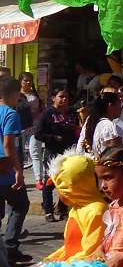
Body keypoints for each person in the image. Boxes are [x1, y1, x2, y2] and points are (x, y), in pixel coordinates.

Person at [44, 150, 107, 263]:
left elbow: (91, 250)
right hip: (72, 265)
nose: (58, 193)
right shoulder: (76, 208)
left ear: (71, 188)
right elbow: (71, 246)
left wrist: (62, 264)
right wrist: (52, 257)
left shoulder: (97, 210)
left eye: (59, 188)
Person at [32, 89, 78, 221]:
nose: (64, 100)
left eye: (66, 97)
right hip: (53, 152)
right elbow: (38, 134)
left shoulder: (71, 113)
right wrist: (53, 138)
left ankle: (63, 209)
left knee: (66, 181)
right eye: (61, 97)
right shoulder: (47, 114)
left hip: (68, 152)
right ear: (53, 98)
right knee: (50, 181)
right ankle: (48, 210)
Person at [0, 76, 27, 266]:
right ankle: (10, 247)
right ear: (14, 93)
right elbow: (9, 144)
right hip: (5, 170)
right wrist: (18, 169)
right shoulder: (10, 114)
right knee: (20, 204)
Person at [77, 91, 123, 159]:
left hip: (89, 164)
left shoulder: (90, 120)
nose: (121, 108)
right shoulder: (110, 126)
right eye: (120, 105)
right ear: (111, 106)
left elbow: (79, 148)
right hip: (105, 167)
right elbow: (115, 157)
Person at [17, 72, 40, 169]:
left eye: (30, 80)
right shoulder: (17, 94)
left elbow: (39, 109)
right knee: (19, 152)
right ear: (20, 81)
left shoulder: (35, 94)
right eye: (25, 80)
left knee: (35, 152)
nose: (28, 82)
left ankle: (39, 178)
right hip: (21, 125)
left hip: (34, 126)